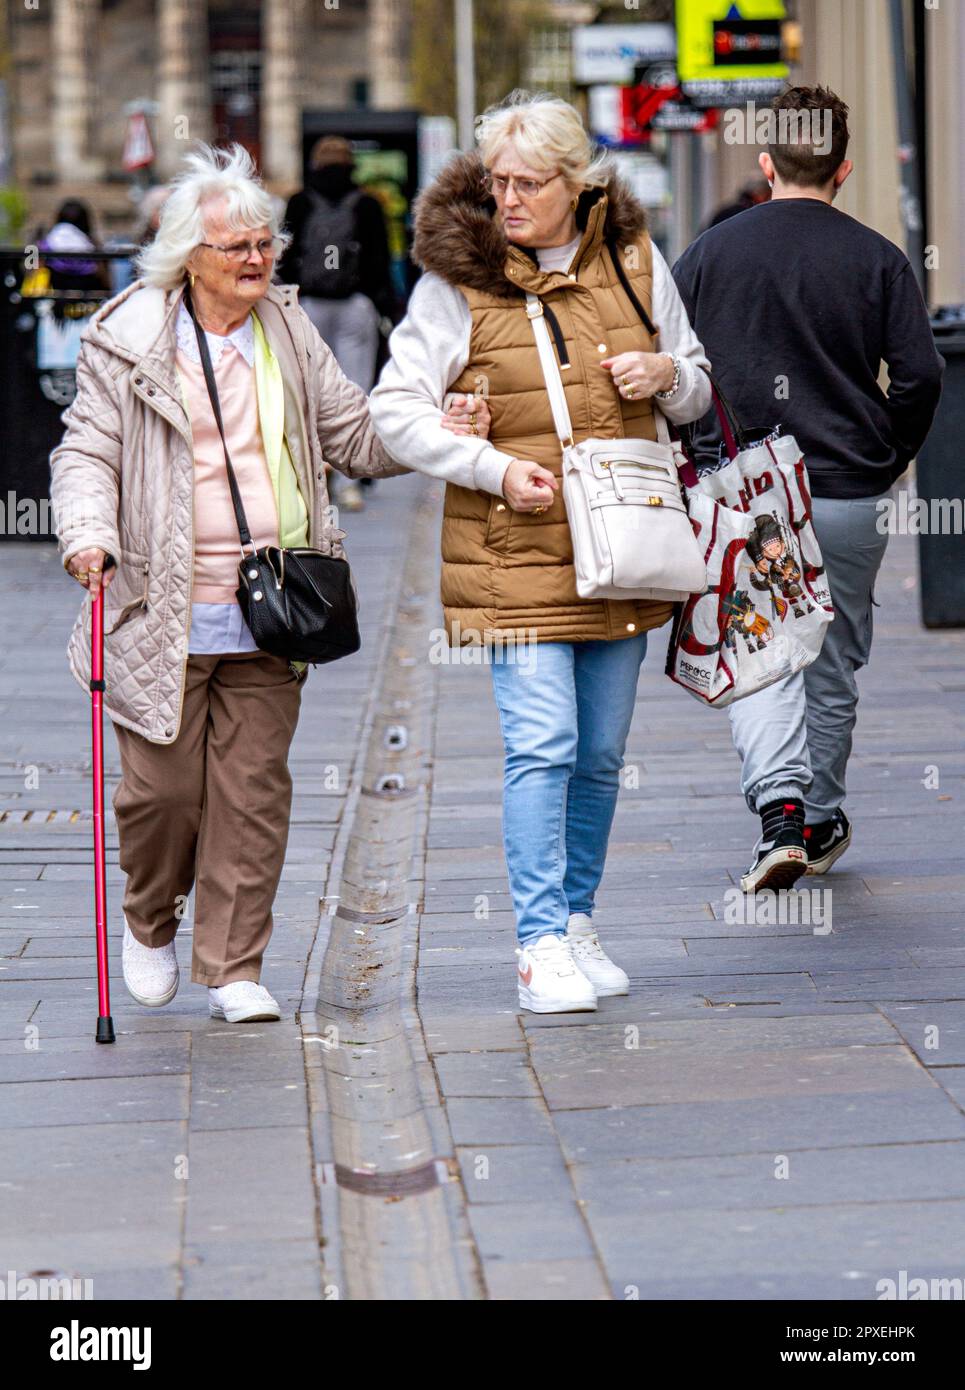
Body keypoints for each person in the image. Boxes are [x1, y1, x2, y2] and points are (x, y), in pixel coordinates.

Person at [48, 142, 485, 1025]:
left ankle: (235, 963)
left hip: (274, 605)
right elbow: (86, 452)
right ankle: (149, 918)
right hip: (158, 605)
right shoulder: (126, 338)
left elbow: (354, 437)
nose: (256, 259)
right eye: (235, 247)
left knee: (252, 793)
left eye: (263, 243)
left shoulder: (288, 329)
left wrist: (433, 428)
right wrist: (87, 534)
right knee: (162, 796)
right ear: (186, 257)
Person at [370, 90, 711, 1014]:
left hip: (624, 546)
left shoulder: (637, 263)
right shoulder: (457, 285)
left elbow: (696, 386)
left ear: (577, 182)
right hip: (513, 552)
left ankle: (577, 918)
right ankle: (535, 943)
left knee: (600, 752)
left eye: (528, 182)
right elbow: (392, 412)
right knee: (543, 743)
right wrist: (485, 463)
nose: (508, 198)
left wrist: (665, 375)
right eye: (497, 181)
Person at [673, 85, 944, 892]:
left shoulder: (711, 253)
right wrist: (884, 453)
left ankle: (781, 812)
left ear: (764, 164)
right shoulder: (876, 259)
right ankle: (819, 815)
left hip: (746, 490)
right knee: (830, 664)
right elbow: (922, 376)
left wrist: (697, 453)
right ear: (844, 168)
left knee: (760, 654)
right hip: (846, 491)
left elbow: (675, 367)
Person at [279, 136, 396, 513]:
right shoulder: (366, 204)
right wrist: (381, 303)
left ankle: (310, 476)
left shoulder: (299, 202)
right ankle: (350, 484)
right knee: (355, 387)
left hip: (308, 304)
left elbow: (285, 254)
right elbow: (380, 259)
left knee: (306, 389)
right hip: (354, 305)